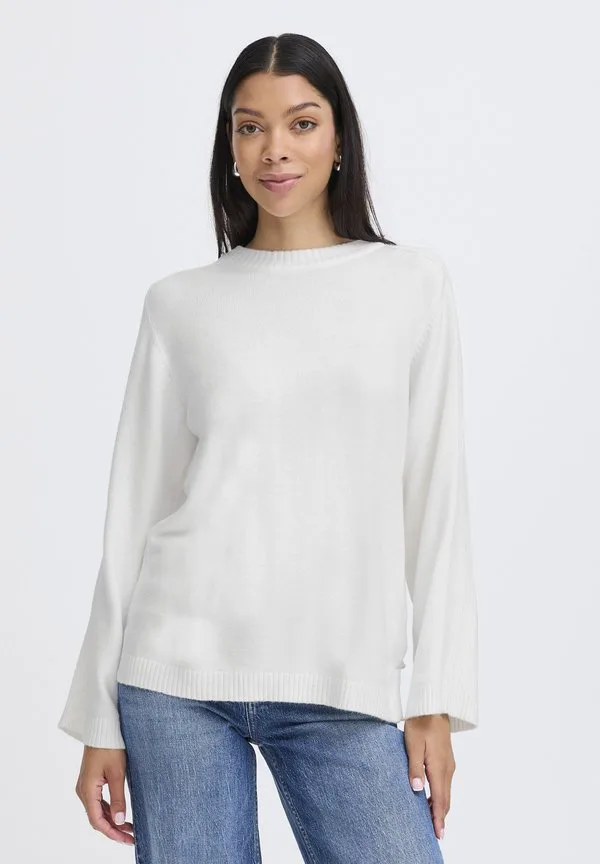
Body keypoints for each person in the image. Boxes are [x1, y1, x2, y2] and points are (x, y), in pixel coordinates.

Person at [57, 32, 478, 864]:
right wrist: (98, 716)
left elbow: (438, 501)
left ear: (340, 138)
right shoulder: (179, 304)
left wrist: (435, 698)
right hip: (174, 679)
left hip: (342, 682)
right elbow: (133, 513)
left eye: (301, 123)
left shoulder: (410, 285)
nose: (274, 149)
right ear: (230, 146)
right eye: (249, 127)